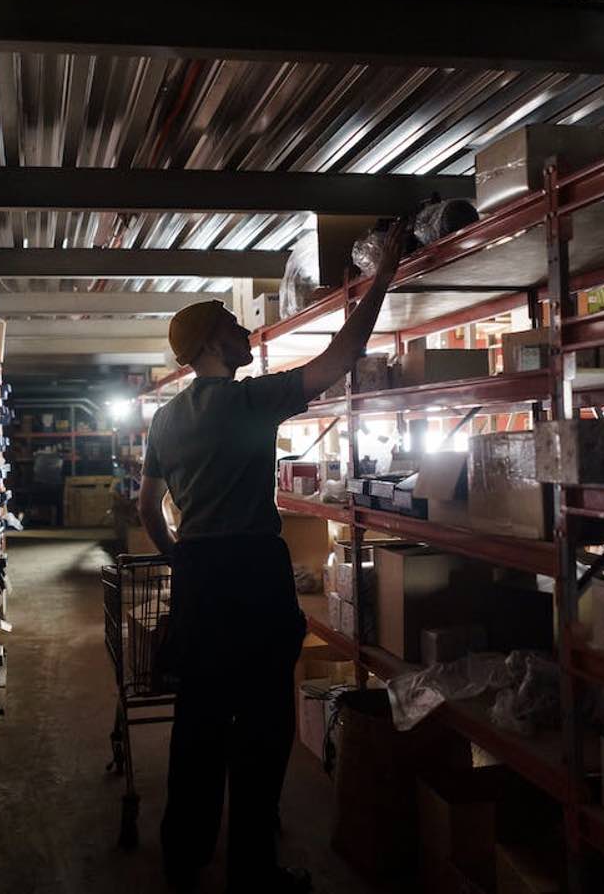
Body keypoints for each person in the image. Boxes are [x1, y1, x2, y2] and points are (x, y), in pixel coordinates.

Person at [138, 221, 408, 893]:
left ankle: (183, 858)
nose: (247, 334)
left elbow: (147, 509)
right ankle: (252, 872)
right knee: (261, 727)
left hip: (200, 578)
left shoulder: (164, 420)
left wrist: (180, 560)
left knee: (198, 724)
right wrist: (382, 278)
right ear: (210, 343)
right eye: (235, 327)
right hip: (254, 576)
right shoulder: (251, 401)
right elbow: (342, 357)